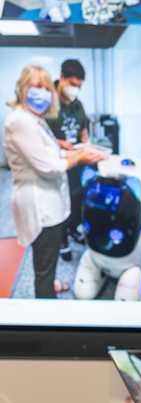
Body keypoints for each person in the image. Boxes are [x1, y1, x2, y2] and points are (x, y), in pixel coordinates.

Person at [3, 64, 105, 298]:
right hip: (40, 205)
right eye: (37, 86)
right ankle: (46, 303)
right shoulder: (21, 121)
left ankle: (49, 283)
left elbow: (50, 153)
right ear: (23, 88)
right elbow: (48, 166)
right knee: (45, 264)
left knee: (45, 257)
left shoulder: (34, 119)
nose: (43, 92)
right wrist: (79, 157)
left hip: (49, 201)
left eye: (47, 88)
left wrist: (75, 151)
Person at [47, 59, 90, 253]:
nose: (75, 90)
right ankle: (61, 241)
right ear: (61, 77)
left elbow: (83, 126)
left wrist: (86, 141)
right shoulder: (47, 101)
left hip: (76, 160)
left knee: (76, 197)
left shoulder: (77, 103)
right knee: (58, 202)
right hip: (55, 162)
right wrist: (58, 143)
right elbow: (37, 136)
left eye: (78, 86)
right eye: (72, 85)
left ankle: (73, 229)